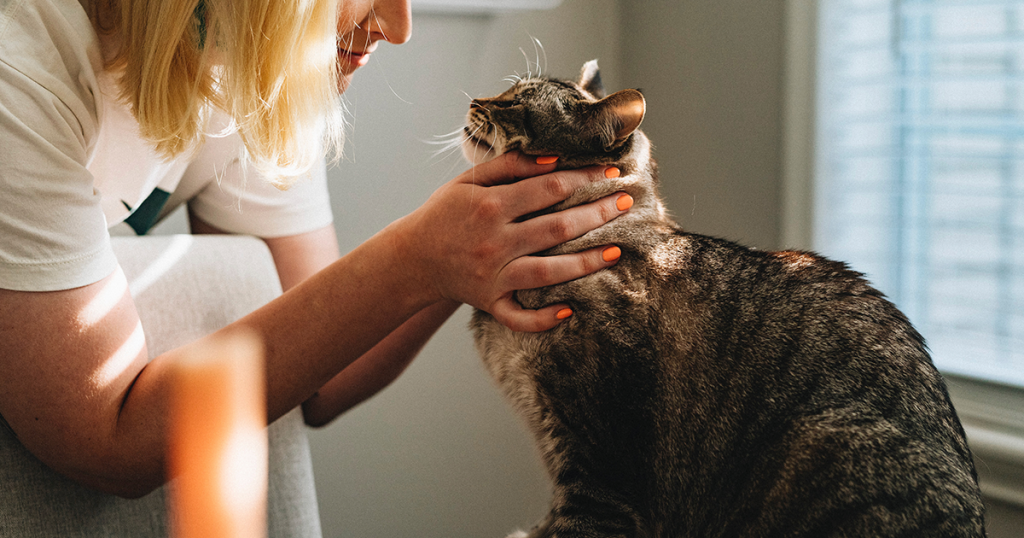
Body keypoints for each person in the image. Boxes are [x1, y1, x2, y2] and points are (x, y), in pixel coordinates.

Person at [0, 0, 630, 502]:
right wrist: (421, 257)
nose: (399, 27)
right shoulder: (21, 69)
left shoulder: (252, 56)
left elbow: (322, 380)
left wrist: (477, 251)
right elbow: (106, 442)